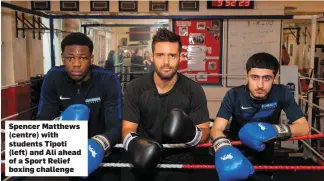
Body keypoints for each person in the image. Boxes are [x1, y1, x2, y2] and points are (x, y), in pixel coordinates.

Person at [121, 28, 210, 181]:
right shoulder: (135, 87)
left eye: (172, 55)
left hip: (179, 164)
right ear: (152, 57)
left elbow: (205, 132)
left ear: (181, 57)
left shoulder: (193, 90)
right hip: (142, 161)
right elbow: (127, 128)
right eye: (160, 55)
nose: (166, 62)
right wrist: (137, 145)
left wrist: (190, 133)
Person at [210, 52, 310, 181]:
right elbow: (216, 129)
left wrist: (273, 130)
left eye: (267, 78)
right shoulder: (234, 95)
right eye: (255, 77)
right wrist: (224, 149)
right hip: (236, 154)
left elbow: (304, 127)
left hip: (265, 157)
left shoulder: (281, 93)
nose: (260, 85)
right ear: (246, 77)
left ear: (275, 78)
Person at [36, 32, 122, 181]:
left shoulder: (107, 79)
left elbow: (116, 125)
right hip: (70, 153)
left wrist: (97, 144)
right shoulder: (54, 78)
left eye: (83, 58)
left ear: (91, 59)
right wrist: (60, 124)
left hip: (104, 155)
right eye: (70, 58)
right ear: (62, 58)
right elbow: (43, 120)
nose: (76, 64)